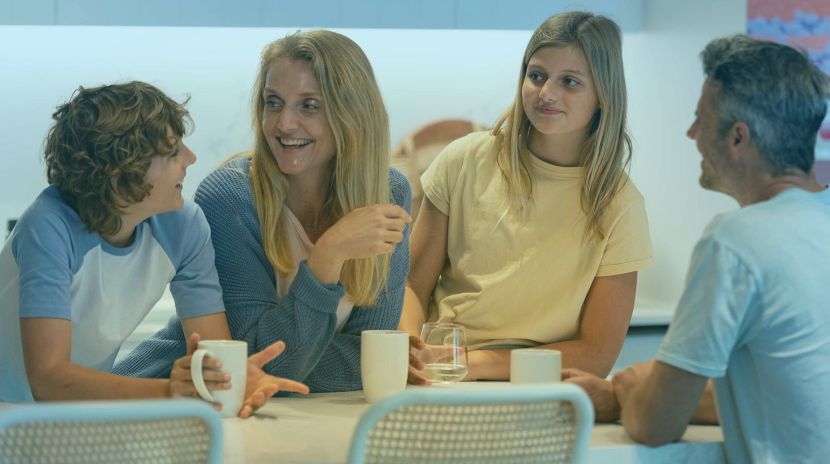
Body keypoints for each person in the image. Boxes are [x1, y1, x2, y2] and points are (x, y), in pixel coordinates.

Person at [564, 35, 830, 464]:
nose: (692, 133)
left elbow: (654, 424)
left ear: (738, 138)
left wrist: (629, 393)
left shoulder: (736, 240)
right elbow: (795, 385)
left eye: (701, 120)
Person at [114, 30, 412, 392]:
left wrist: (287, 372)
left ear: (353, 113)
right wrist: (327, 257)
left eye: (309, 105)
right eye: (273, 102)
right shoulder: (231, 197)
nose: (284, 124)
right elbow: (249, 368)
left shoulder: (390, 194)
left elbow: (370, 357)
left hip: (287, 416)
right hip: (165, 407)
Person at [0, 82, 308, 415]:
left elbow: (212, 352)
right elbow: (47, 379)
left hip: (71, 415)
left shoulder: (184, 225)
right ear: (121, 172)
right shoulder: (48, 225)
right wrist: (168, 390)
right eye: (173, 150)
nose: (190, 159)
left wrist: (234, 379)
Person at [399, 11, 653, 383]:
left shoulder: (620, 205)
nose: (547, 93)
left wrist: (472, 363)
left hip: (537, 389)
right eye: (536, 76)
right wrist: (410, 349)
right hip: (442, 377)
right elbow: (411, 285)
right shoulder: (463, 160)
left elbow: (596, 355)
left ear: (603, 95)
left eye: (570, 81)